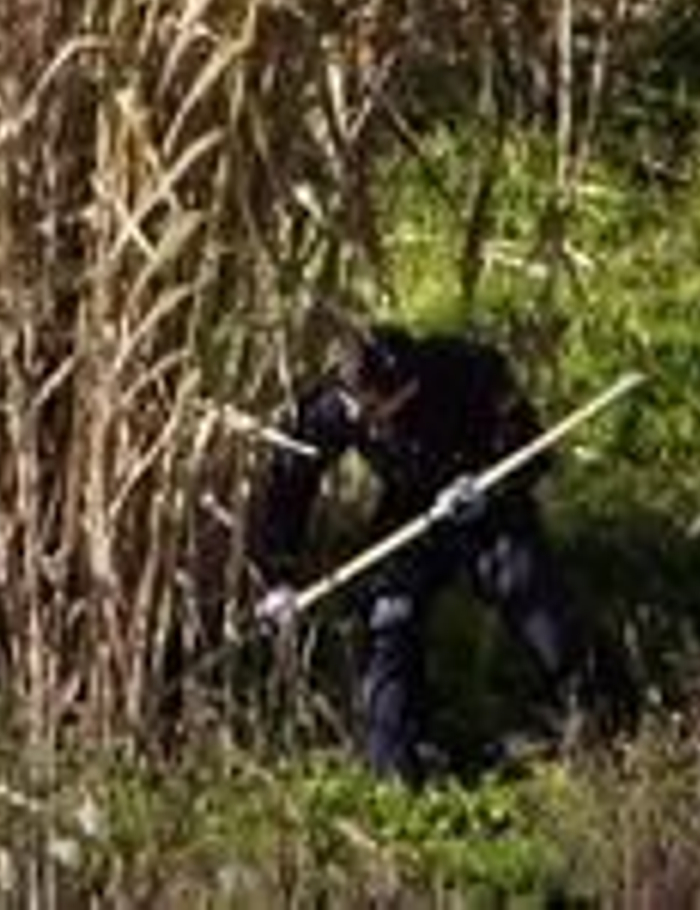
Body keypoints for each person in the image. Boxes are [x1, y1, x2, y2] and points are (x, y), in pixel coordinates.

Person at [248, 323, 633, 783]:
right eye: (360, 410)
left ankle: (603, 722)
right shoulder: (334, 405)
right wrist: (279, 576)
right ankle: (394, 767)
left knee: (530, 592)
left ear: (409, 385)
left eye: (380, 409)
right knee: (389, 615)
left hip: (486, 498)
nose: (370, 421)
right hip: (411, 511)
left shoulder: (469, 368)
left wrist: (487, 485)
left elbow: (531, 451)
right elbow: (290, 483)